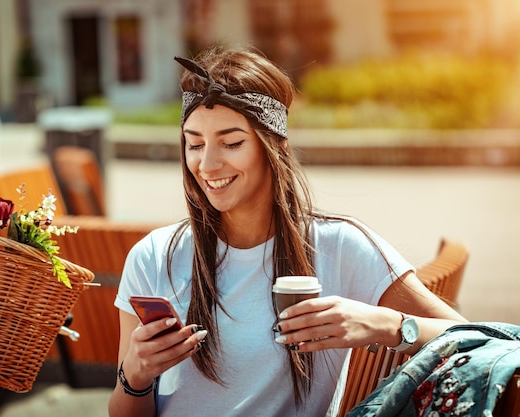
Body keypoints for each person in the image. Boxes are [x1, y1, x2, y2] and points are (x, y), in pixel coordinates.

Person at [108, 45, 468, 417]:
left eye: (232, 143)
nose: (208, 164)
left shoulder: (339, 247)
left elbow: (476, 339)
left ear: (274, 144)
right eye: (194, 144)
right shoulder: (153, 255)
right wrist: (135, 376)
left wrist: (386, 324)